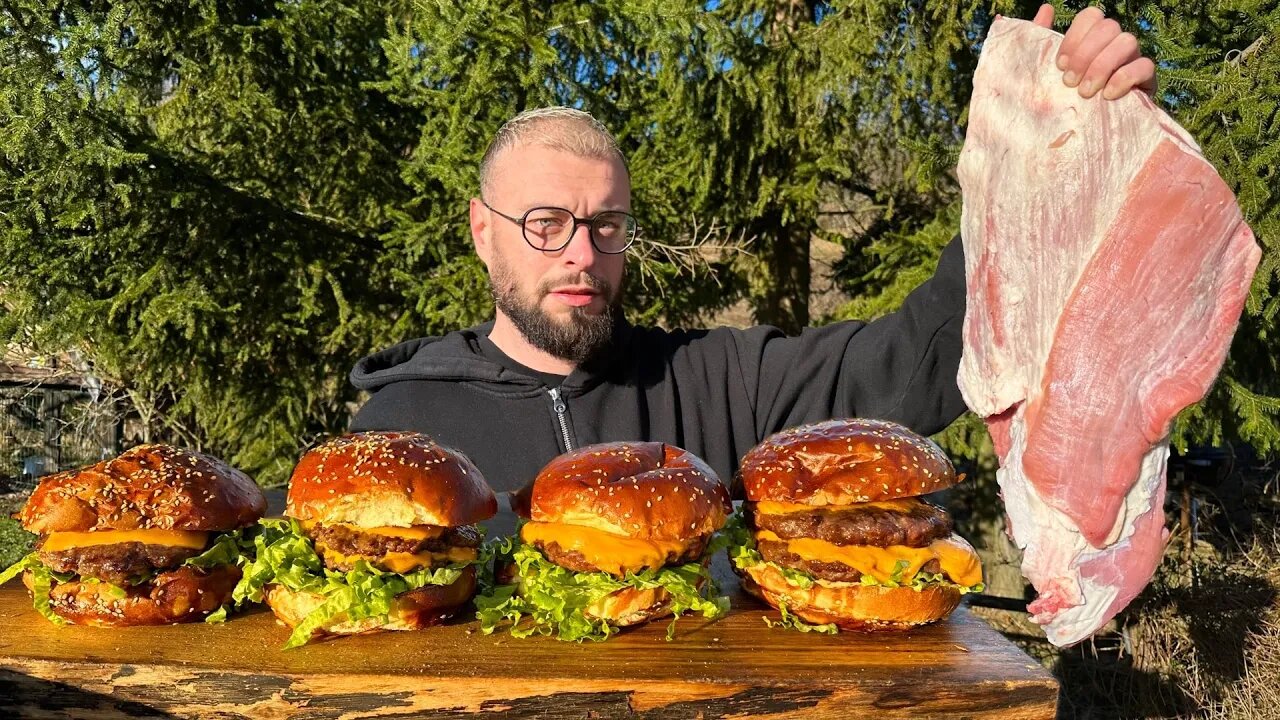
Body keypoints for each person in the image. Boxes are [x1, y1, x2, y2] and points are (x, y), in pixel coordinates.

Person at [348, 6, 1158, 494]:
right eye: (546, 224)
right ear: (482, 229)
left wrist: (1050, 162)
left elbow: (921, 359)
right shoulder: (401, 427)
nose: (582, 256)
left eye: (607, 226)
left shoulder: (720, 384)